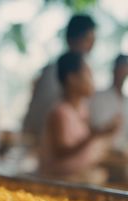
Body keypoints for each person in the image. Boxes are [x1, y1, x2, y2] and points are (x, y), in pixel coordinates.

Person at [39, 52, 120, 180]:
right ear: (72, 79)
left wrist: (104, 132)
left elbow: (84, 140)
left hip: (79, 175)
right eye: (88, 74)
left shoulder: (82, 109)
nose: (92, 81)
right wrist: (93, 135)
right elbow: (61, 152)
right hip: (59, 180)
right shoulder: (59, 112)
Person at [22, 14, 96, 144]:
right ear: (70, 40)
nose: (90, 47)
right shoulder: (54, 73)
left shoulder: (81, 71)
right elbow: (41, 120)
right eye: (88, 40)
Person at [89, 54, 128, 148]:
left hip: (123, 148)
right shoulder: (99, 97)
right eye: (121, 69)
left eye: (126, 69)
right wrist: (109, 128)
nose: (123, 74)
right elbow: (92, 129)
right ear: (114, 70)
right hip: (100, 149)